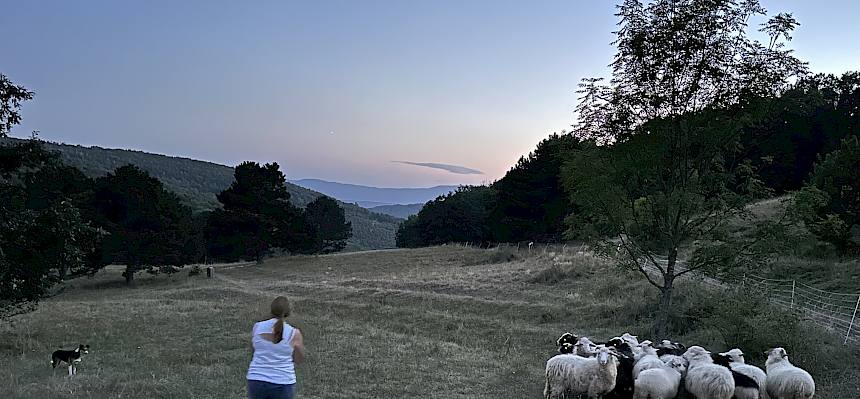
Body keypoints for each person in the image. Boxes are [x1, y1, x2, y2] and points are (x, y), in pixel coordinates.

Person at [247, 296, 305, 399]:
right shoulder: (294, 333)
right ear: (288, 312)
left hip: (256, 379)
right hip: (283, 381)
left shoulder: (257, 327)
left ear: (271, 309)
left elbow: (254, 352)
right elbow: (299, 360)